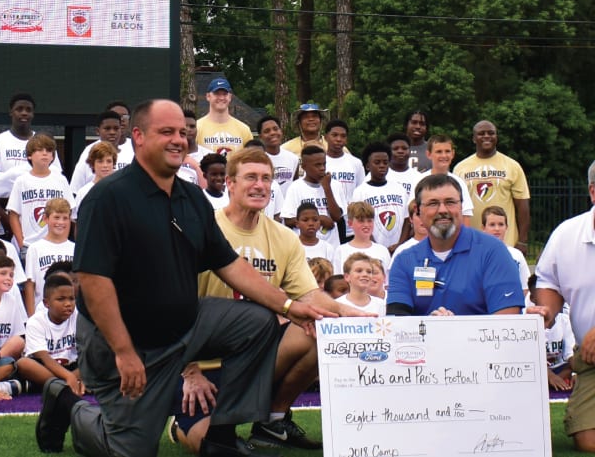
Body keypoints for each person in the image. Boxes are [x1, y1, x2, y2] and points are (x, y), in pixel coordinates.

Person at [38, 99, 329, 456]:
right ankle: (68, 404)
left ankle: (222, 432)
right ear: (139, 137)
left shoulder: (192, 198)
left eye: (182, 132)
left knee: (258, 322)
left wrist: (288, 306)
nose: (179, 139)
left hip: (185, 326)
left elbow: (230, 264)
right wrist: (124, 350)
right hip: (125, 338)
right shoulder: (108, 197)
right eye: (166, 132)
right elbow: (93, 280)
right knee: (128, 450)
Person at [190, 147, 366, 451]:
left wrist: (346, 311)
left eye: (266, 178)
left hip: (256, 354)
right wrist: (189, 371)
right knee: (205, 444)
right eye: (250, 177)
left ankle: (273, 419)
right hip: (204, 360)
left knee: (317, 326)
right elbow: (178, 306)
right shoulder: (205, 229)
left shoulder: (283, 237)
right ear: (230, 183)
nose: (260, 185)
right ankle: (190, 422)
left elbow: (310, 295)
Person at [385, 174, 524, 316]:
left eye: (450, 202)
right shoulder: (404, 261)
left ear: (461, 207)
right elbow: (397, 324)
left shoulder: (493, 252)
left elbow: (507, 319)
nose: (443, 210)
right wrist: (430, 328)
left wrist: (455, 329)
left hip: (481, 338)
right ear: (418, 212)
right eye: (433, 203)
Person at [534, 158, 595, 452]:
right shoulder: (567, 234)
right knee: (588, 442)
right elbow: (548, 283)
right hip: (591, 359)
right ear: (593, 192)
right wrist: (545, 313)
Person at [453, 120, 531, 252]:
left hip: (506, 242)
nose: (486, 136)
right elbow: (456, 207)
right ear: (474, 138)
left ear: (496, 137)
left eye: (491, 133)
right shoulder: (460, 168)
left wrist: (522, 241)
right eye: (481, 133)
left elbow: (522, 205)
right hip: (472, 242)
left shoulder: (512, 166)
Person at [16, 274, 81, 394]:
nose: (68, 304)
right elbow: (44, 357)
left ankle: (58, 386)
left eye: (71, 299)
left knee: (97, 357)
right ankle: (66, 386)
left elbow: (86, 354)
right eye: (61, 299)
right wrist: (69, 377)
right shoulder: (35, 321)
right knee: (23, 363)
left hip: (72, 366)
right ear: (46, 303)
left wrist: (74, 374)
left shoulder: (78, 317)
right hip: (46, 368)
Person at [5, 135, 70, 248]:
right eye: (40, 150)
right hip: (29, 244)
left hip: (55, 244)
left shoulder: (61, 180)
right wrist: (22, 243)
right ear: (29, 155)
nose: (45, 153)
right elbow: (13, 215)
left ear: (52, 157)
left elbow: (69, 213)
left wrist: (63, 241)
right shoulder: (21, 181)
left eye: (49, 150)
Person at [349, 142, 410, 252]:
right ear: (368, 166)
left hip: (398, 249)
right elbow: (359, 223)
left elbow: (407, 220)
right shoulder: (360, 191)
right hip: (371, 250)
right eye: (377, 162)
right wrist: (376, 247)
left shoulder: (399, 189)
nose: (382, 165)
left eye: (385, 162)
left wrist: (400, 244)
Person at [282, 146, 345, 247]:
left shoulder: (334, 185)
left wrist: (327, 188)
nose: (322, 168)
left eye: (324, 164)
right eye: (317, 165)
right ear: (304, 166)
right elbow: (288, 220)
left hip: (331, 245)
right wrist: (318, 219)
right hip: (304, 246)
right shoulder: (295, 187)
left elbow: (337, 217)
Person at [0, 93, 59, 173]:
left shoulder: (45, 142)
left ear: (33, 114)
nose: (24, 113)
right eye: (19, 109)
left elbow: (56, 173)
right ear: (11, 112)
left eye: (28, 110)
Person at [70, 110, 133, 191]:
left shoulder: (132, 152)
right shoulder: (89, 152)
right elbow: (76, 187)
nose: (112, 132)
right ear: (97, 131)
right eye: (107, 129)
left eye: (116, 128)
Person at [420, 134, 475, 223]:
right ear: (429, 154)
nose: (444, 155)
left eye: (447, 151)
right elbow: (414, 214)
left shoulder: (459, 183)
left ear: (453, 154)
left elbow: (465, 216)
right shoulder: (419, 181)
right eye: (439, 152)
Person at [196, 77, 252, 154]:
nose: (221, 97)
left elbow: (251, 159)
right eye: (217, 94)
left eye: (225, 94)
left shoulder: (244, 130)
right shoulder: (196, 128)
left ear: (230, 97)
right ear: (208, 96)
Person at [24, 199, 75, 278]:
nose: (61, 222)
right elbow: (30, 283)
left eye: (65, 218)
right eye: (56, 217)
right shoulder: (35, 248)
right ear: (45, 218)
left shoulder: (75, 249)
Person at [336, 201, 392, 273]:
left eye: (369, 221)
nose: (366, 225)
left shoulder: (382, 250)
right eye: (361, 221)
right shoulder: (341, 250)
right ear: (350, 223)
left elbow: (387, 280)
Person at [481, 206, 531, 284]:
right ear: (483, 228)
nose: (497, 229)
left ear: (506, 227)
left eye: (501, 224)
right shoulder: (476, 256)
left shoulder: (516, 255)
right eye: (492, 225)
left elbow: (525, 288)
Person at [322, 120, 364, 204]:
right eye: (334, 135)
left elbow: (362, 190)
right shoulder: (319, 162)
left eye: (343, 136)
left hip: (351, 214)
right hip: (325, 214)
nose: (339, 139)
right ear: (326, 137)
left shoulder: (356, 163)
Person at [256, 115, 299, 187]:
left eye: (275, 129)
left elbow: (295, 186)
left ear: (281, 131)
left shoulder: (293, 158)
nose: (272, 133)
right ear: (260, 137)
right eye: (267, 131)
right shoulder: (257, 160)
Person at [71, 141, 118, 205]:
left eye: (109, 161)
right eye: (100, 161)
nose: (105, 165)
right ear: (92, 164)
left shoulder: (120, 190)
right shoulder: (84, 193)